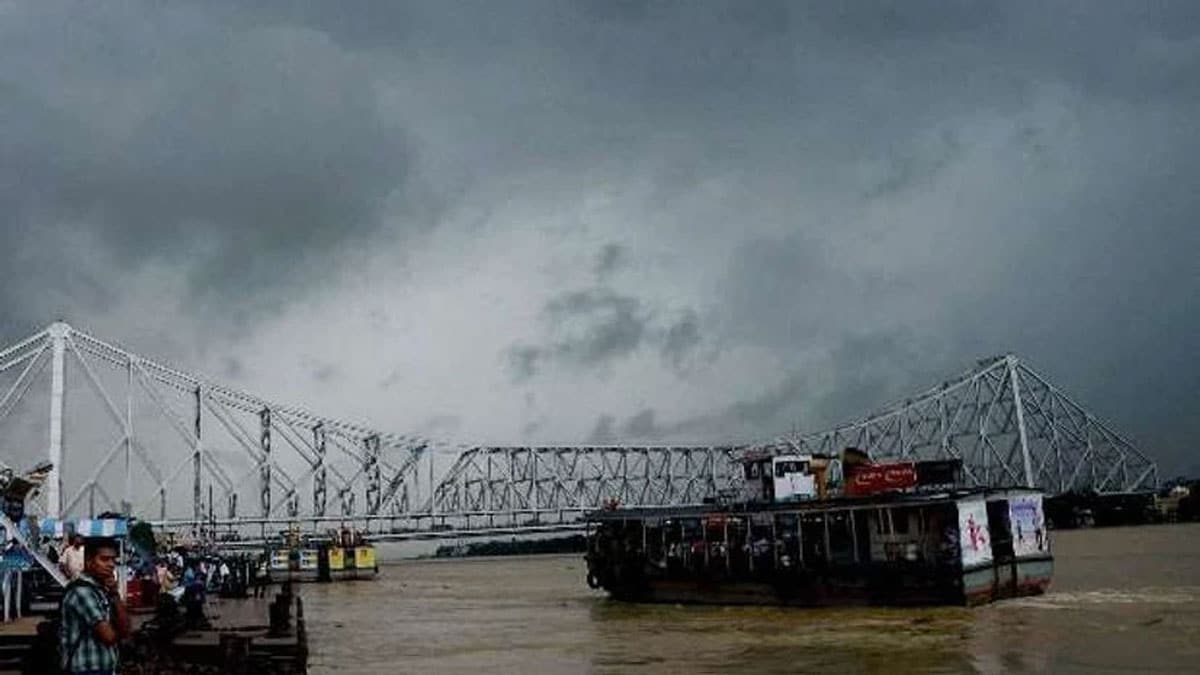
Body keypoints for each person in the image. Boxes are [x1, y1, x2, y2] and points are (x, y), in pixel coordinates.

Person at [59, 537, 130, 675]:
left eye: (113, 560)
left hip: (103, 668)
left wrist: (115, 594)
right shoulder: (82, 593)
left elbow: (125, 629)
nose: (110, 565)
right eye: (104, 559)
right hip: (87, 669)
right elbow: (108, 636)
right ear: (89, 562)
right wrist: (119, 630)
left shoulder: (100, 590)